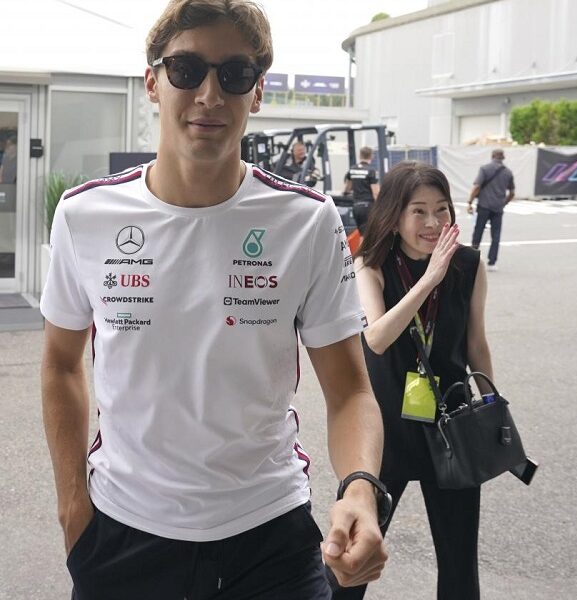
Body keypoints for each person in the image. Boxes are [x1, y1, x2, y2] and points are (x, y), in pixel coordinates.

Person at [40, 1, 388, 598]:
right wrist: (72, 504)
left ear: (257, 92)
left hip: (268, 534)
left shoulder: (306, 220)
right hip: (123, 532)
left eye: (234, 74)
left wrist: (359, 487)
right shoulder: (84, 215)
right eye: (186, 69)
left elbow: (351, 389)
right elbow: (60, 363)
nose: (209, 95)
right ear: (153, 82)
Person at [340, 161, 492, 600]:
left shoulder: (468, 264)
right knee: (354, 555)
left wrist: (493, 407)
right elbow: (377, 337)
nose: (433, 222)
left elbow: (476, 344)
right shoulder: (371, 263)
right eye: (419, 211)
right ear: (394, 216)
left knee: (460, 561)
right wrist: (429, 280)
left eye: (442, 209)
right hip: (386, 428)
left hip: (451, 424)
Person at [467, 148, 514, 271]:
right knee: (496, 235)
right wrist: (504, 203)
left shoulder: (484, 169)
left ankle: (472, 259)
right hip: (498, 208)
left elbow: (477, 187)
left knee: (478, 231)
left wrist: (470, 202)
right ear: (503, 157)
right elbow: (512, 193)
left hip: (484, 206)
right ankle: (492, 262)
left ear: (492, 156)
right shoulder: (508, 172)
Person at [343, 146, 380, 235]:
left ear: (360, 155)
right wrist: (381, 207)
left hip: (356, 207)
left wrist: (346, 193)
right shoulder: (372, 171)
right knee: (368, 235)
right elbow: (376, 193)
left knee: (362, 234)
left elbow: (347, 188)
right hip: (368, 207)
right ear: (371, 156)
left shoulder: (352, 169)